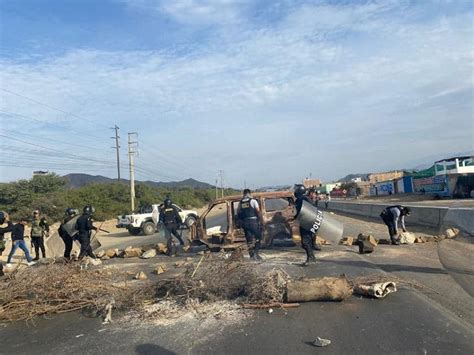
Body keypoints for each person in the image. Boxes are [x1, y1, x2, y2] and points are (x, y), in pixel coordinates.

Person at [294, 184, 317, 265]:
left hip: (306, 223)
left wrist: (295, 217)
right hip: (306, 223)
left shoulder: (302, 200)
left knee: (305, 242)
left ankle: (311, 259)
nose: (295, 191)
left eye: (296, 190)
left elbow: (302, 212)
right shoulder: (305, 199)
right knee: (307, 241)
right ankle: (311, 258)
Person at [237, 189, 262, 261]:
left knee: (249, 240)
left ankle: (251, 255)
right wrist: (260, 220)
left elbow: (238, 213)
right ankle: (256, 254)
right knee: (258, 237)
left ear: (243, 194)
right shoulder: (253, 201)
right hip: (253, 222)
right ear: (249, 193)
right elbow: (258, 211)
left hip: (245, 223)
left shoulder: (240, 203)